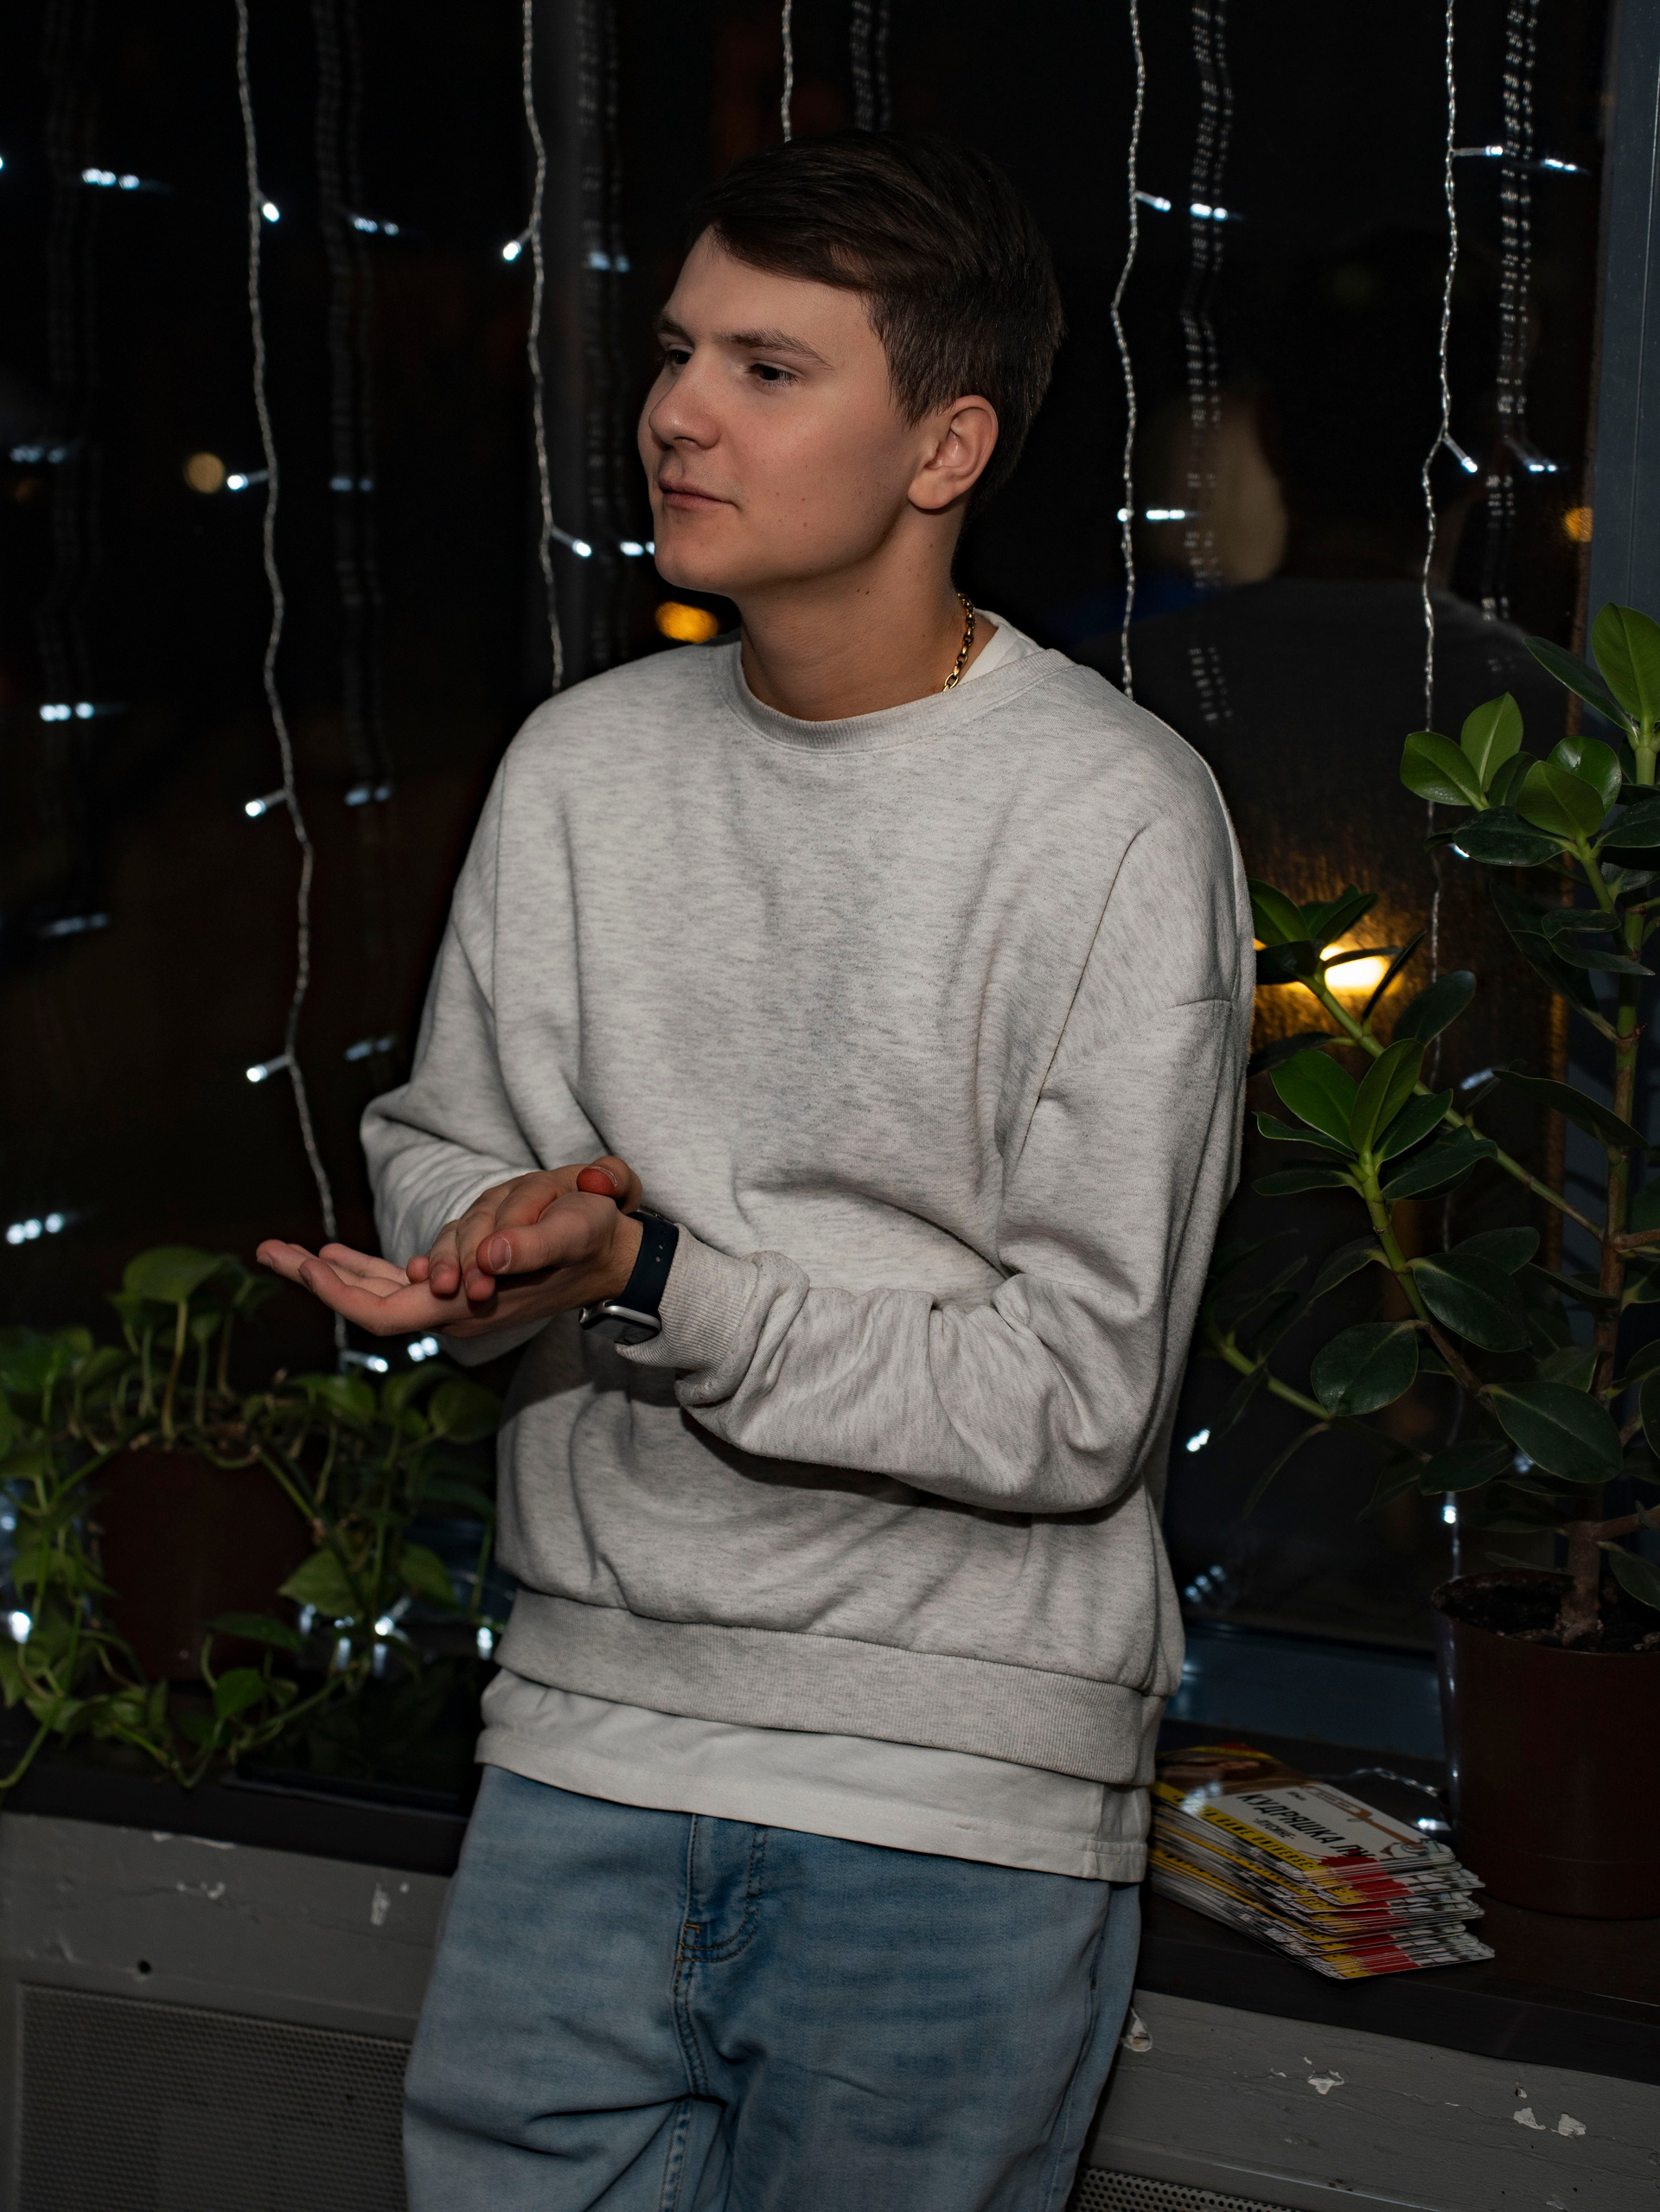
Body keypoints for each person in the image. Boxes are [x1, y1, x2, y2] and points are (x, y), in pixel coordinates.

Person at [259, 131, 1252, 2212]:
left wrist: (653, 1281)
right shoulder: (582, 763)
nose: (678, 412)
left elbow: (1074, 1396)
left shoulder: (1114, 822)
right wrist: (481, 1242)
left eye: (770, 369)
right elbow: (452, 1139)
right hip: (577, 1740)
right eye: (677, 351)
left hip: (950, 1801)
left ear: (946, 445)